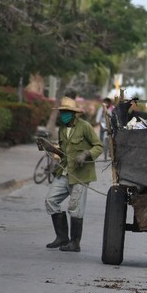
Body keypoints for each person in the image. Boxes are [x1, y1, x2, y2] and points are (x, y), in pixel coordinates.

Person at [40, 95, 103, 252]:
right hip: (65, 172)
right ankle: (62, 237)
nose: (63, 114)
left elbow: (99, 146)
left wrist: (86, 154)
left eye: (66, 111)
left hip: (80, 175)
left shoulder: (85, 126)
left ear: (74, 113)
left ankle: (75, 243)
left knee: (75, 208)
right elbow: (63, 153)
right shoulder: (62, 129)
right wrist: (50, 148)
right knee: (50, 200)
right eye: (62, 112)